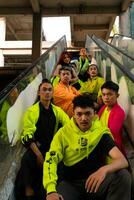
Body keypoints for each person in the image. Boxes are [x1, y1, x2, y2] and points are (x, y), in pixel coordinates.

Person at [43, 93, 131, 200]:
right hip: (70, 184)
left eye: (88, 113)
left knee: (123, 176)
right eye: (79, 114)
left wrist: (103, 170)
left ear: (94, 113)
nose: (83, 118)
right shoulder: (63, 133)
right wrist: (51, 190)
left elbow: (122, 161)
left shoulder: (100, 133)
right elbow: (50, 160)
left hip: (96, 183)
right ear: (73, 114)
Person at [15, 79, 69, 200]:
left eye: (50, 90)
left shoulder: (57, 111)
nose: (47, 92)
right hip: (37, 148)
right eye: (44, 90)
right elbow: (27, 135)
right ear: (39, 93)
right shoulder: (32, 111)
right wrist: (39, 155)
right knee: (26, 160)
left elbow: (69, 125)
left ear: (52, 92)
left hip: (52, 148)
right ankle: (29, 191)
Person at [98, 81, 126, 154]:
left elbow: (111, 133)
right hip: (101, 142)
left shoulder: (119, 112)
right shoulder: (103, 108)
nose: (106, 97)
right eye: (103, 94)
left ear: (117, 95)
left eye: (109, 94)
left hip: (112, 147)